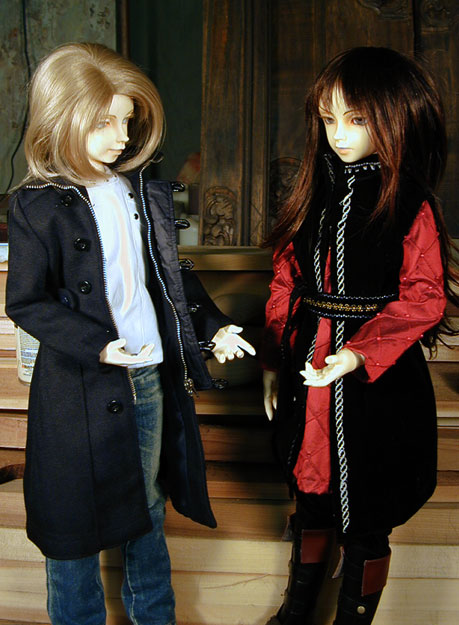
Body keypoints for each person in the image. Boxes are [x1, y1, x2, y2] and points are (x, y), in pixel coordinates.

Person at [6, 42, 255, 625]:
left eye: (126, 120)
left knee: (147, 504)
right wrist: (95, 343)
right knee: (71, 520)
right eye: (104, 122)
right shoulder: (36, 206)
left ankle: (155, 616)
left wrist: (213, 327)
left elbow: (170, 276)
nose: (121, 136)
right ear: (62, 117)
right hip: (78, 385)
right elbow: (26, 301)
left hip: (147, 375)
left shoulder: (138, 191)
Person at [261, 47, 458, 625]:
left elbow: (424, 295)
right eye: (329, 120)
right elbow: (285, 280)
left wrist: (357, 354)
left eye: (357, 119)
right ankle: (297, 611)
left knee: (368, 509)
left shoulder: (409, 202)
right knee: (311, 497)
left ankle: (354, 617)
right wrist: (272, 359)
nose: (340, 135)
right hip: (307, 365)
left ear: (396, 117)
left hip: (379, 380)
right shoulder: (311, 194)